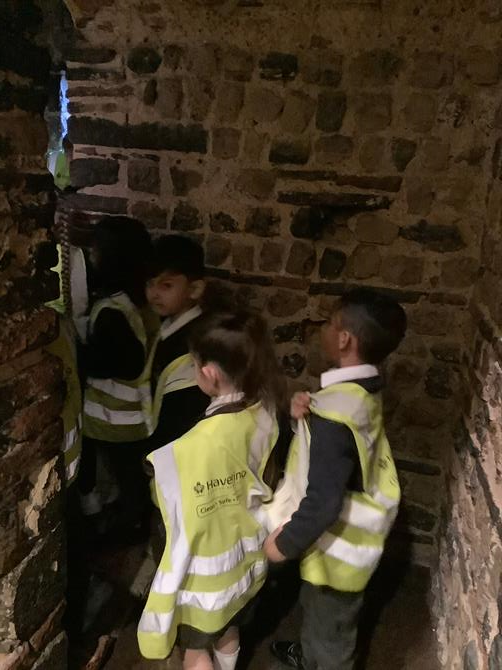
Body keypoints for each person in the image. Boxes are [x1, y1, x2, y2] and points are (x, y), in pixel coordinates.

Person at [264, 288, 407, 670]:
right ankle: (310, 654)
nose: (323, 329)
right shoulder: (365, 389)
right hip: (351, 543)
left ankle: (321, 660)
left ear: (344, 339)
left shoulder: (335, 415)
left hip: (340, 552)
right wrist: (309, 413)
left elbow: (324, 501)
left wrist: (283, 545)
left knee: (332, 632)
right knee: (321, 613)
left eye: (328, 322)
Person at [138, 310, 285, 670]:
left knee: (194, 648)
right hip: (246, 554)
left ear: (209, 373)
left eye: (193, 364)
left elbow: (166, 497)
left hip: (204, 573)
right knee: (228, 624)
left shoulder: (196, 443)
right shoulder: (266, 408)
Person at [79, 215, 154, 538]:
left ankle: (128, 526)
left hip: (113, 416)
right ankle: (130, 519)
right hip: (134, 412)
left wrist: (82, 355)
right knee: (129, 474)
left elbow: (126, 363)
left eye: (95, 249)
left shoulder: (111, 311)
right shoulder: (135, 300)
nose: (89, 255)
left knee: (124, 476)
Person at [143, 234, 210, 451]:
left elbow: (183, 411)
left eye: (166, 286)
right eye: (150, 284)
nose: (154, 294)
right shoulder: (168, 326)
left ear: (195, 289)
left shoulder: (194, 342)